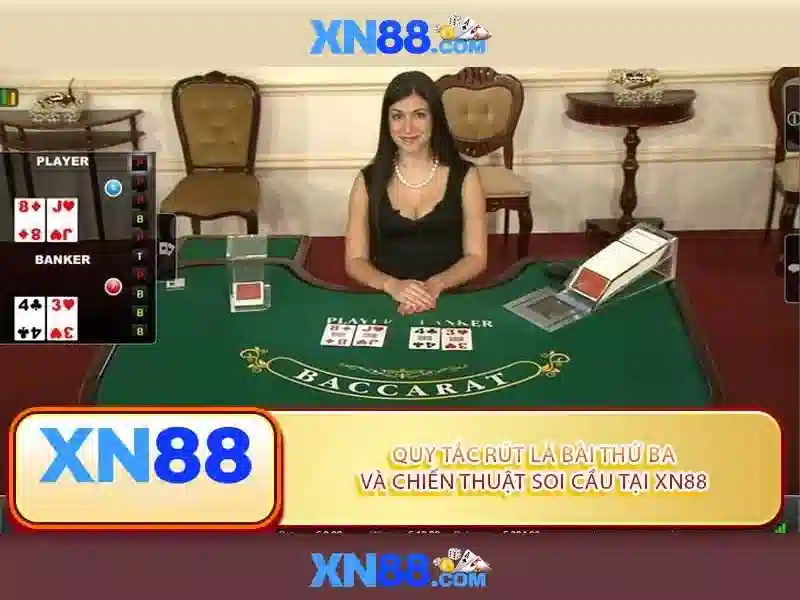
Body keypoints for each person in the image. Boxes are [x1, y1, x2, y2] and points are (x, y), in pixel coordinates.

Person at [344, 70, 488, 315]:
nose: (407, 128)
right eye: (397, 116)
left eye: (419, 115)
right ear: (387, 122)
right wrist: (393, 286)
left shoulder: (467, 176)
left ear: (435, 119)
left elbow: (476, 256)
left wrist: (435, 285)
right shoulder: (366, 180)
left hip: (448, 295)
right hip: (386, 296)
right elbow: (355, 260)